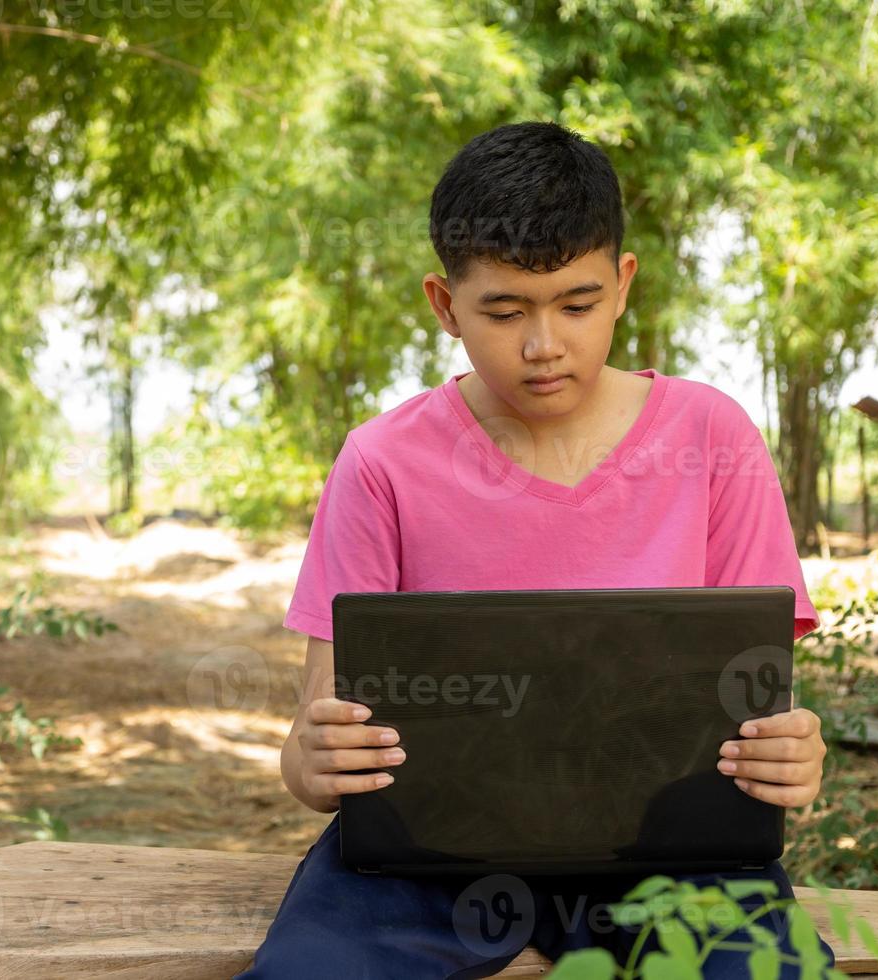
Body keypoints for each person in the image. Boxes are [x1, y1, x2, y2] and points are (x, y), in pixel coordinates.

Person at [235, 121, 837, 978]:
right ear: (445, 305)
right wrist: (314, 761)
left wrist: (791, 758)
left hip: (677, 858)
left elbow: (759, 705)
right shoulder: (381, 463)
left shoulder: (714, 439)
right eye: (506, 311)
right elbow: (311, 750)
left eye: (577, 305)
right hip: (423, 859)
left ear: (624, 285)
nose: (545, 344)